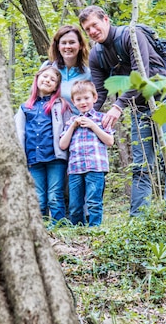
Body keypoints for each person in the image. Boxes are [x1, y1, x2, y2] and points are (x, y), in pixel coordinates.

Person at [78, 5, 166, 216]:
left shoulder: (131, 36)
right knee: (141, 165)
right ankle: (139, 220)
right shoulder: (96, 55)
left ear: (106, 19)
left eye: (94, 25)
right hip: (138, 108)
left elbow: (140, 74)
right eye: (87, 29)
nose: (91, 31)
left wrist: (118, 107)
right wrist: (84, 118)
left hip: (165, 100)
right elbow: (99, 92)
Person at [15, 66, 71, 224]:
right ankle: (41, 229)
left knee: (55, 195)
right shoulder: (26, 107)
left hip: (55, 158)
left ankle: (58, 227)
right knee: (38, 197)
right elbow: (20, 132)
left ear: (56, 87)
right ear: (37, 78)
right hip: (34, 158)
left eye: (53, 80)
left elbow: (68, 128)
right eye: (45, 76)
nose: (48, 80)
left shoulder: (61, 105)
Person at [59, 80, 114, 226]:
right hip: (76, 169)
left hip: (96, 167)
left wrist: (93, 126)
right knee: (75, 205)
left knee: (94, 201)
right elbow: (63, 145)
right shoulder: (70, 121)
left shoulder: (102, 119)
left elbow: (109, 141)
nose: (83, 102)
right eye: (78, 99)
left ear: (94, 98)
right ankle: (78, 230)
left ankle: (95, 230)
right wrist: (73, 126)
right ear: (73, 102)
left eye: (86, 98)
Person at [40, 25, 92, 113]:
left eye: (72, 42)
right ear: (58, 46)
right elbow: (34, 96)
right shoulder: (47, 67)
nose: (67, 46)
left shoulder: (88, 74)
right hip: (47, 124)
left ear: (80, 45)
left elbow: (91, 105)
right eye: (63, 43)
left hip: (76, 124)